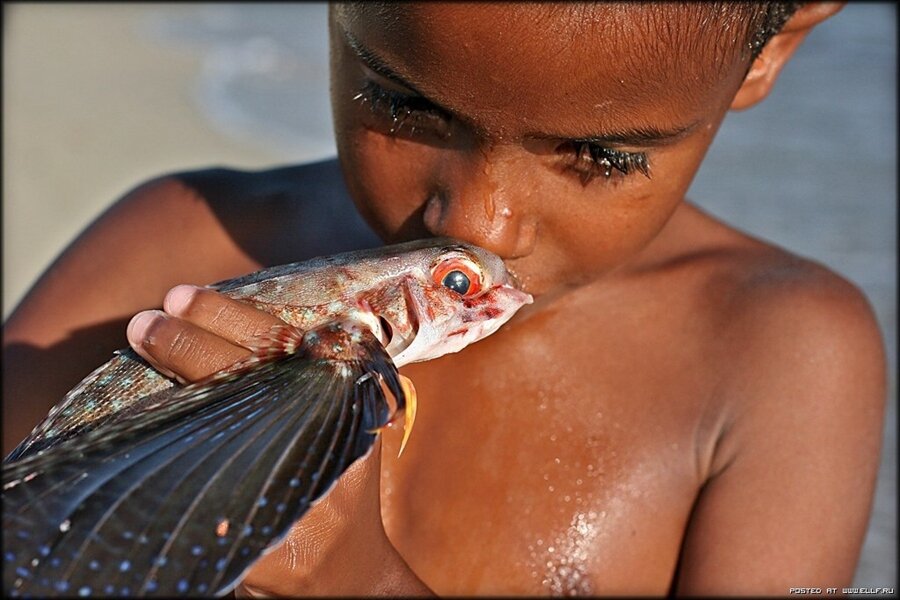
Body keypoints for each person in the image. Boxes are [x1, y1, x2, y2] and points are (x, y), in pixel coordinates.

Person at [2, 2, 886, 595]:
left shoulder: (783, 358)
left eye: (600, 155)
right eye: (403, 101)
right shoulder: (169, 247)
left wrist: (364, 583)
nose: (481, 226)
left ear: (775, 44)